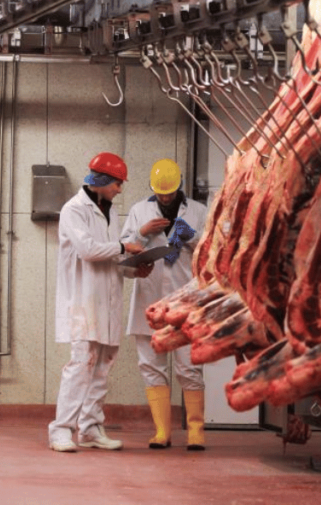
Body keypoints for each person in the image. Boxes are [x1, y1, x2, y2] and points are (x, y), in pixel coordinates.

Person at [48, 152, 151, 453]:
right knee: (81, 364)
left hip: (108, 301)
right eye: (118, 183)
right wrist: (123, 246)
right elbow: (88, 250)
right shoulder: (73, 210)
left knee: (102, 367)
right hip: (83, 300)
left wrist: (133, 268)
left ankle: (91, 428)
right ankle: (61, 431)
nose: (120, 189)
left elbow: (111, 257)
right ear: (103, 180)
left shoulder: (112, 213)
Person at [121, 158, 210, 450]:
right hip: (149, 298)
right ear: (152, 189)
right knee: (151, 366)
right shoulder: (139, 211)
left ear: (179, 186)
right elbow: (123, 253)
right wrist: (142, 233)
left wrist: (192, 237)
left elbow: (213, 251)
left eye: (169, 193)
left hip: (185, 300)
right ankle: (162, 432)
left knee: (189, 368)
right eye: (160, 194)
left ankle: (196, 431)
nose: (165, 198)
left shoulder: (198, 211)